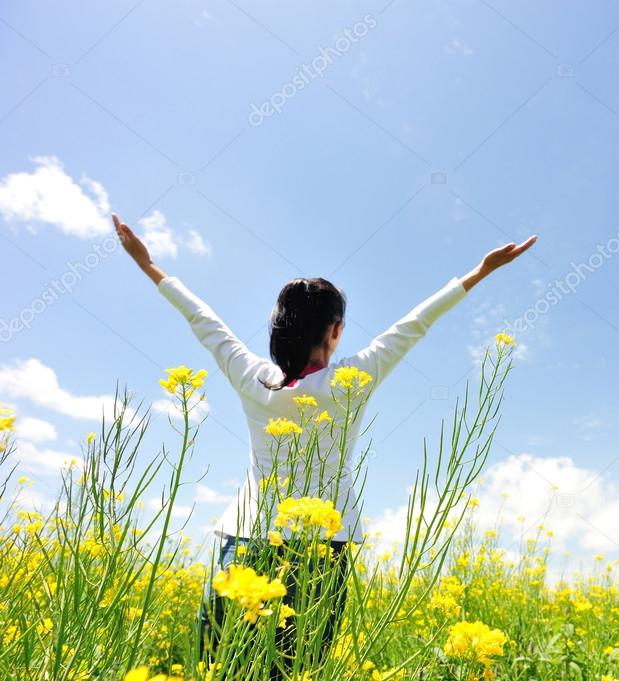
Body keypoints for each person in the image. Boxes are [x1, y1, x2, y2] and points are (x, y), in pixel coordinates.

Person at [113, 212, 536, 674]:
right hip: (323, 545)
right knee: (296, 670)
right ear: (335, 330)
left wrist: (147, 263)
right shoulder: (353, 378)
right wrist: (481, 271)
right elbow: (415, 324)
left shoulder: (253, 377)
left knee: (222, 666)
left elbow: (203, 320)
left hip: (246, 538)